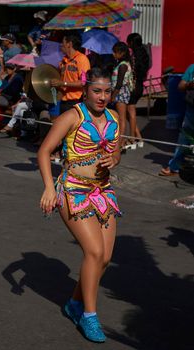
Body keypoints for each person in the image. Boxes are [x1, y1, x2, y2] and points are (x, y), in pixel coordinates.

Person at [38, 67, 121, 343]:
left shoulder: (114, 117)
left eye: (107, 91)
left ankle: (74, 304)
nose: (102, 97)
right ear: (86, 90)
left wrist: (115, 159)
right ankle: (89, 315)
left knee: (105, 258)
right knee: (94, 251)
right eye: (97, 91)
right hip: (73, 191)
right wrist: (50, 188)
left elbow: (117, 149)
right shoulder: (72, 117)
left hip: (103, 191)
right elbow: (44, 151)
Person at [159, 64, 194, 176]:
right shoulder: (192, 68)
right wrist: (190, 84)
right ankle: (174, 166)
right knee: (184, 139)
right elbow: (181, 86)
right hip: (191, 111)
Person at [51, 32, 90, 113]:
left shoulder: (82, 59)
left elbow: (83, 82)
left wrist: (63, 83)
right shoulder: (63, 61)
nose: (61, 45)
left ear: (69, 44)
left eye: (63, 42)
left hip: (76, 102)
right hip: (63, 101)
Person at [126, 33, 150, 146]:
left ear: (131, 42)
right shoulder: (144, 53)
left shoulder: (134, 56)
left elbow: (132, 72)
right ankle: (139, 139)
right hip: (140, 85)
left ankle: (132, 140)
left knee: (131, 112)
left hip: (133, 86)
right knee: (130, 112)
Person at [111, 41, 134, 149]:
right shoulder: (121, 64)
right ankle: (120, 140)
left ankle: (120, 142)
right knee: (119, 118)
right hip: (120, 92)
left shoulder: (123, 66)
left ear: (122, 53)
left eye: (115, 52)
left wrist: (113, 96)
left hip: (121, 92)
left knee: (121, 118)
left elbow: (119, 84)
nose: (113, 54)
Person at [0, 63, 23, 133]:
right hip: (5, 97)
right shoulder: (7, 77)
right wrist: (0, 91)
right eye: (7, 68)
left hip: (13, 98)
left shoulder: (18, 78)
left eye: (10, 68)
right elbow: (1, 87)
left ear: (14, 69)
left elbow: (14, 92)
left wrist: (3, 91)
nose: (8, 70)